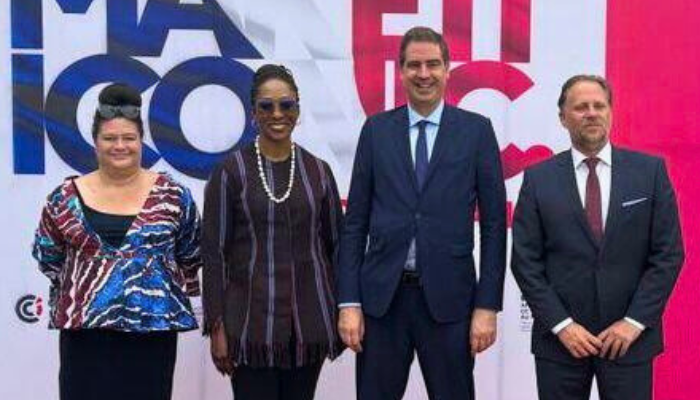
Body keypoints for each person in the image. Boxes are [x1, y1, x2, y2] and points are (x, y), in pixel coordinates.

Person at [337, 26, 507, 399]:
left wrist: (487, 305)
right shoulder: (376, 130)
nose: (424, 73)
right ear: (401, 71)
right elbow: (355, 224)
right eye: (414, 65)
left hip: (451, 301)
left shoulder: (476, 131)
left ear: (447, 69)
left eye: (433, 64)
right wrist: (349, 302)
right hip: (383, 301)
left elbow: (495, 226)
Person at [511, 74, 684, 400]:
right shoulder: (538, 179)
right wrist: (562, 325)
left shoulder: (650, 172)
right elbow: (525, 261)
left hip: (629, 342)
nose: (591, 113)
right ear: (563, 118)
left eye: (598, 106)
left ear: (610, 112)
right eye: (580, 107)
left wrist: (634, 322)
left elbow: (668, 254)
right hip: (560, 344)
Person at [32, 83, 203, 400]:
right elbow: (48, 256)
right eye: (110, 138)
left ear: (141, 141)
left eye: (129, 138)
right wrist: (89, 286)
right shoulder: (63, 198)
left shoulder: (174, 196)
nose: (120, 146)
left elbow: (190, 253)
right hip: (85, 336)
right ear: (95, 142)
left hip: (152, 333)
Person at [201, 64, 344, 400]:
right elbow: (214, 253)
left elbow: (337, 245)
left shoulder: (318, 171)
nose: (277, 114)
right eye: (266, 106)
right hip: (249, 326)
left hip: (308, 323)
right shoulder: (230, 172)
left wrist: (344, 310)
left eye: (286, 104)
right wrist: (216, 326)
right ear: (254, 113)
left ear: (298, 109)